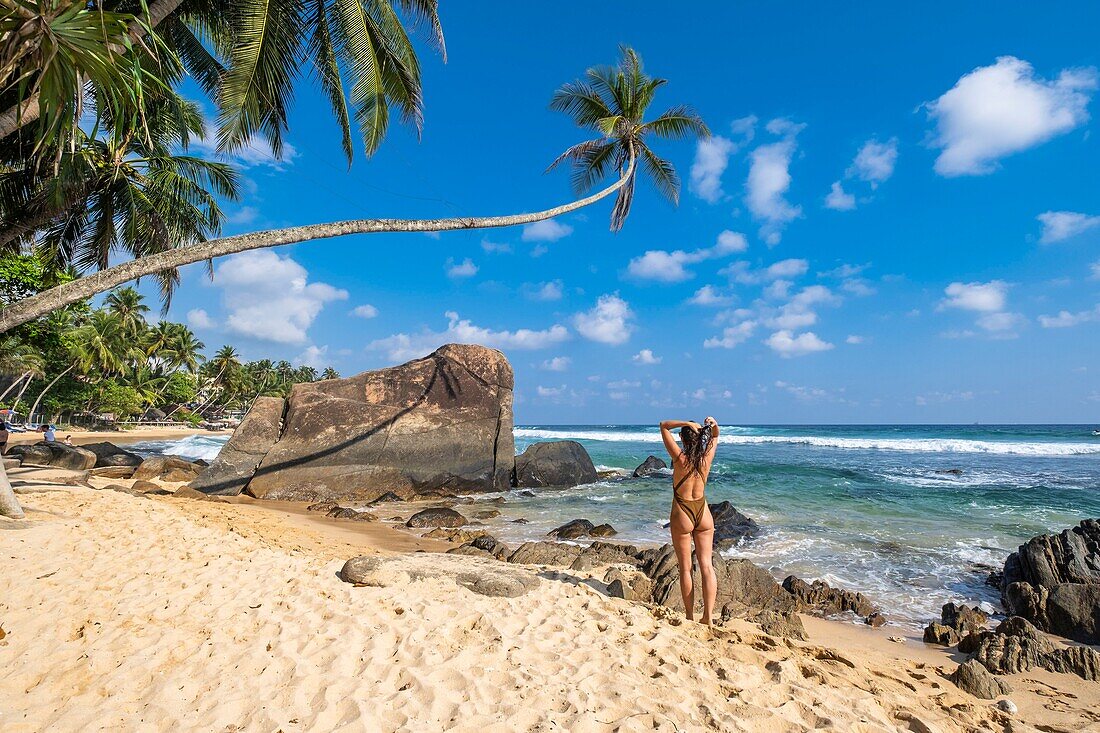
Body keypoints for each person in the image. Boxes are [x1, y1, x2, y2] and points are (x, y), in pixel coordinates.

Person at [659, 416, 720, 625]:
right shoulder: (706, 459)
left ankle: (689, 616)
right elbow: (716, 435)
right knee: (707, 566)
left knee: (686, 569)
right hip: (703, 512)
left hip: (682, 512)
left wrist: (687, 423)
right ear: (698, 439)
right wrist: (712, 424)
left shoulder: (679, 458)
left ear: (682, 439)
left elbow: (663, 425)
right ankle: (708, 618)